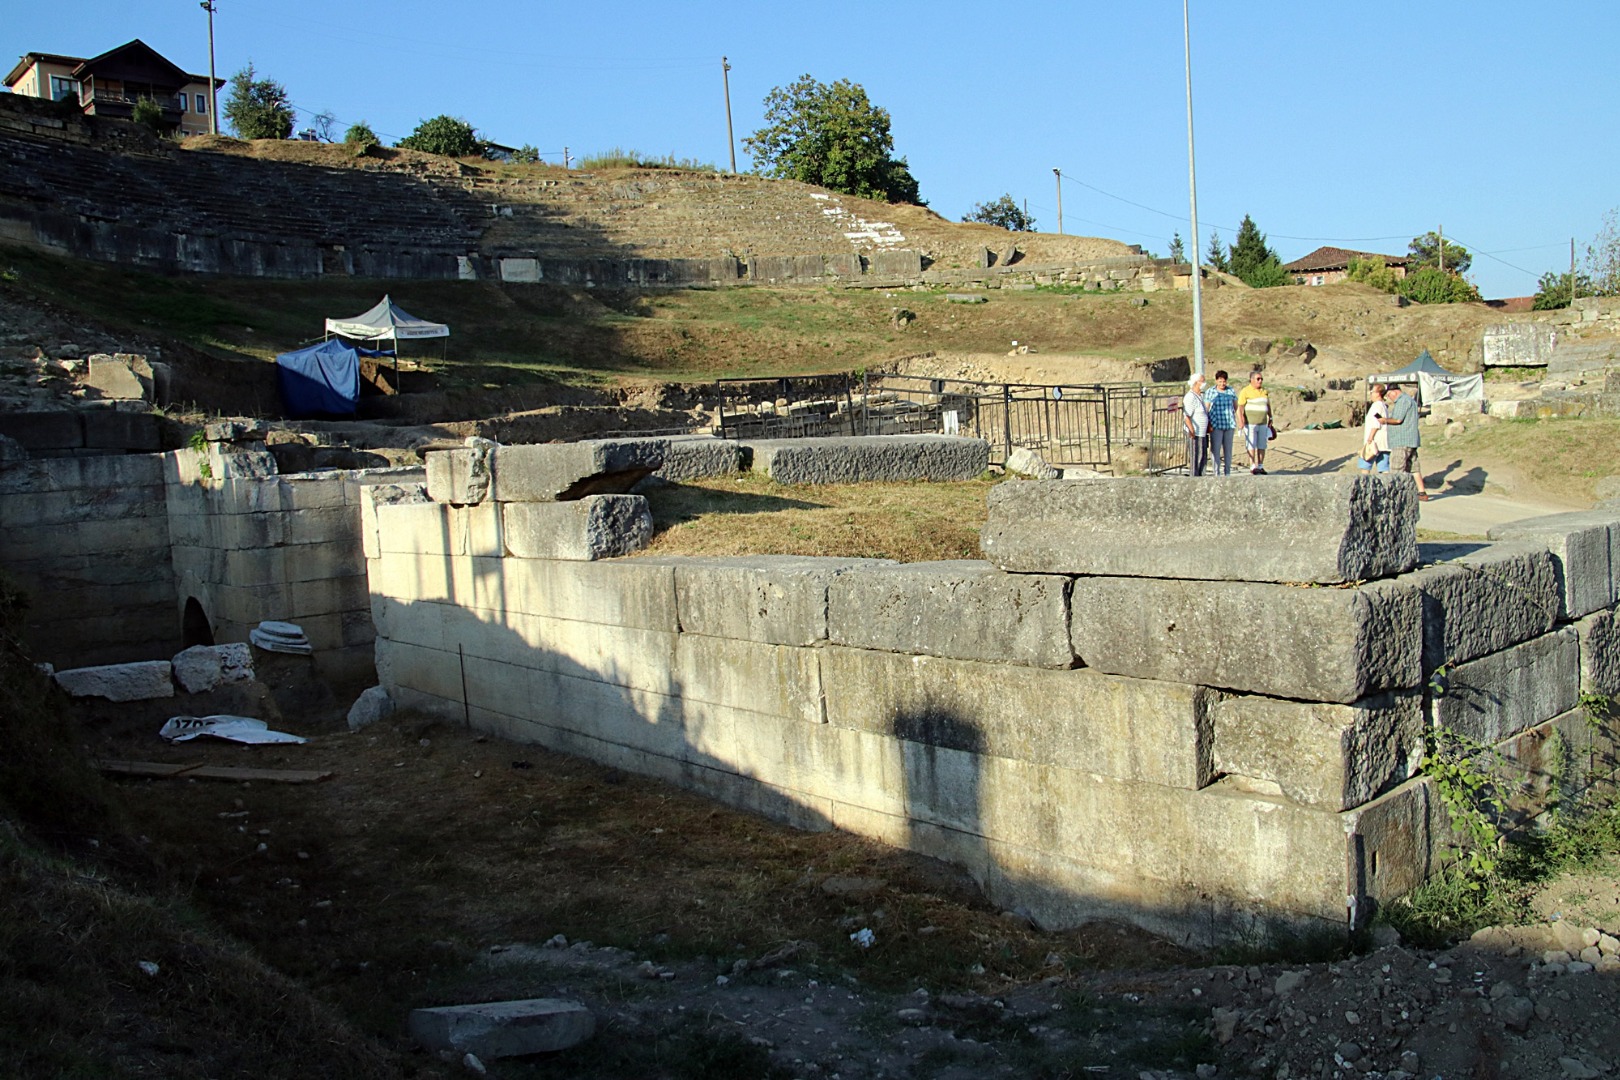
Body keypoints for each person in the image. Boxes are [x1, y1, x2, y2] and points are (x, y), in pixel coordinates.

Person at [1379, 382, 1428, 500]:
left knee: (1396, 468)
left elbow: (1397, 420)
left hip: (1402, 440)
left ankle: (1394, 495)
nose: (1389, 398)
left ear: (1395, 392)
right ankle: (1422, 492)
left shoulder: (1402, 401)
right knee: (1414, 467)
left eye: (1389, 395)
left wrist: (1384, 420)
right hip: (1410, 440)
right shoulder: (1409, 401)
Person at [1235, 368, 1276, 474]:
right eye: (1258, 379)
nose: (1260, 381)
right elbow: (1240, 408)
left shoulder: (1264, 391)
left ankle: (1261, 465)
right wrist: (1240, 421)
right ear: (1252, 380)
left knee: (1262, 445)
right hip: (1250, 423)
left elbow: (1268, 405)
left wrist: (1270, 417)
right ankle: (1253, 465)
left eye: (1261, 379)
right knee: (1251, 444)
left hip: (1262, 422)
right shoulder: (1246, 391)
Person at [1203, 369, 1237, 476]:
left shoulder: (1231, 391)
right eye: (1220, 381)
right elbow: (1206, 408)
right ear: (1216, 380)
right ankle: (1216, 472)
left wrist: (1240, 419)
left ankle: (1227, 472)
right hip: (1216, 424)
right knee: (1215, 450)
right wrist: (1207, 423)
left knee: (1228, 450)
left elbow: (1236, 407)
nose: (1222, 384)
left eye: (1224, 381)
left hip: (1229, 424)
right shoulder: (1210, 391)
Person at [1358, 383, 1390, 473]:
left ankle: (1364, 485)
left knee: (1365, 464)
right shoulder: (1384, 406)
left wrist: (1370, 438)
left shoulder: (1376, 406)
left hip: (1375, 442)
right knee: (1384, 468)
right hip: (1384, 443)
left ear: (1378, 393)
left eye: (1372, 392)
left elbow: (1377, 422)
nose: (1370, 394)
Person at [1182, 373, 1210, 476]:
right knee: (1195, 458)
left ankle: (1201, 476)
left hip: (1202, 433)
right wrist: (1191, 430)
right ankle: (1194, 478)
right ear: (1195, 383)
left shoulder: (1200, 396)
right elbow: (1186, 416)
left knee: (1202, 456)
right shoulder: (1190, 397)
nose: (1204, 383)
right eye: (1202, 381)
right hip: (1194, 433)